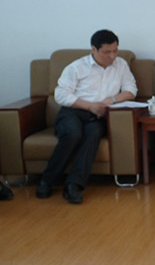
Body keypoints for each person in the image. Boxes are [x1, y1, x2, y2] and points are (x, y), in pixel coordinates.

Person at [36, 30, 137, 204]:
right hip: (74, 111)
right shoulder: (77, 67)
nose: (112, 56)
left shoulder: (121, 65)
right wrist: (90, 106)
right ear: (94, 49)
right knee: (73, 134)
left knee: (93, 134)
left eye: (115, 51)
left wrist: (110, 100)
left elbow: (131, 90)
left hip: (100, 116)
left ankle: (74, 185)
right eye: (107, 52)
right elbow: (61, 95)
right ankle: (47, 181)